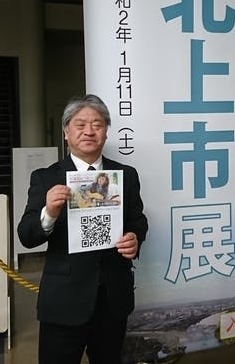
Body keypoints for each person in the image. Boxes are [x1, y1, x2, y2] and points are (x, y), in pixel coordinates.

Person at [18, 94, 148, 364]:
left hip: (113, 299)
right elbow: (26, 236)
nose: (89, 131)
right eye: (80, 125)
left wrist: (135, 238)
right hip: (64, 301)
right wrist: (49, 213)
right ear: (66, 132)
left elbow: (138, 220)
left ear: (106, 132)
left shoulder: (126, 175)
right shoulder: (46, 177)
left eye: (97, 125)